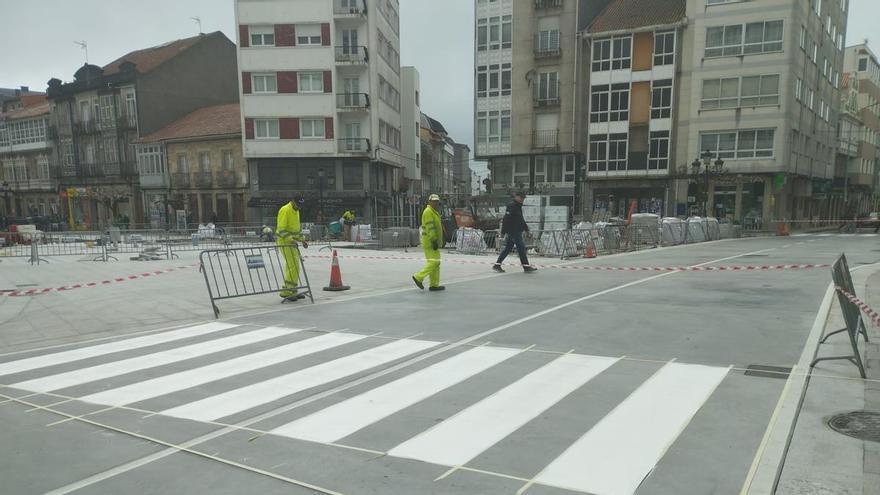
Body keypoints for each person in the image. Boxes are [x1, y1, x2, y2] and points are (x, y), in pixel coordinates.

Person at [493, 192, 537, 273]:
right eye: (521, 198)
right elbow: (506, 219)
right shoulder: (511, 206)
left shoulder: (518, 206)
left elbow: (521, 219)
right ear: (516, 197)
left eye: (523, 198)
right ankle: (526, 267)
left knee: (508, 248)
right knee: (521, 248)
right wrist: (503, 232)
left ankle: (497, 265)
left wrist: (526, 229)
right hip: (513, 231)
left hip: (517, 231)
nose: (522, 200)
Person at [276, 196, 309, 301]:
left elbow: (296, 229)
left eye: (301, 206)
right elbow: (281, 229)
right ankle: (286, 292)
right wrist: (291, 239)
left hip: (291, 242)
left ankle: (293, 290)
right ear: (293, 201)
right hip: (284, 241)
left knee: (294, 266)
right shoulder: (285, 210)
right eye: (298, 205)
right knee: (293, 265)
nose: (299, 207)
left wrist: (302, 239)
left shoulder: (296, 211)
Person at [412, 194, 445, 291]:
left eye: (437, 201)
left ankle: (434, 285)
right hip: (430, 242)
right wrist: (434, 240)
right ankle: (418, 277)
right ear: (429, 202)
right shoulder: (428, 212)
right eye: (434, 201)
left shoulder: (433, 212)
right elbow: (430, 227)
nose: (435, 203)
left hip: (432, 242)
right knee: (434, 262)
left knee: (436, 263)